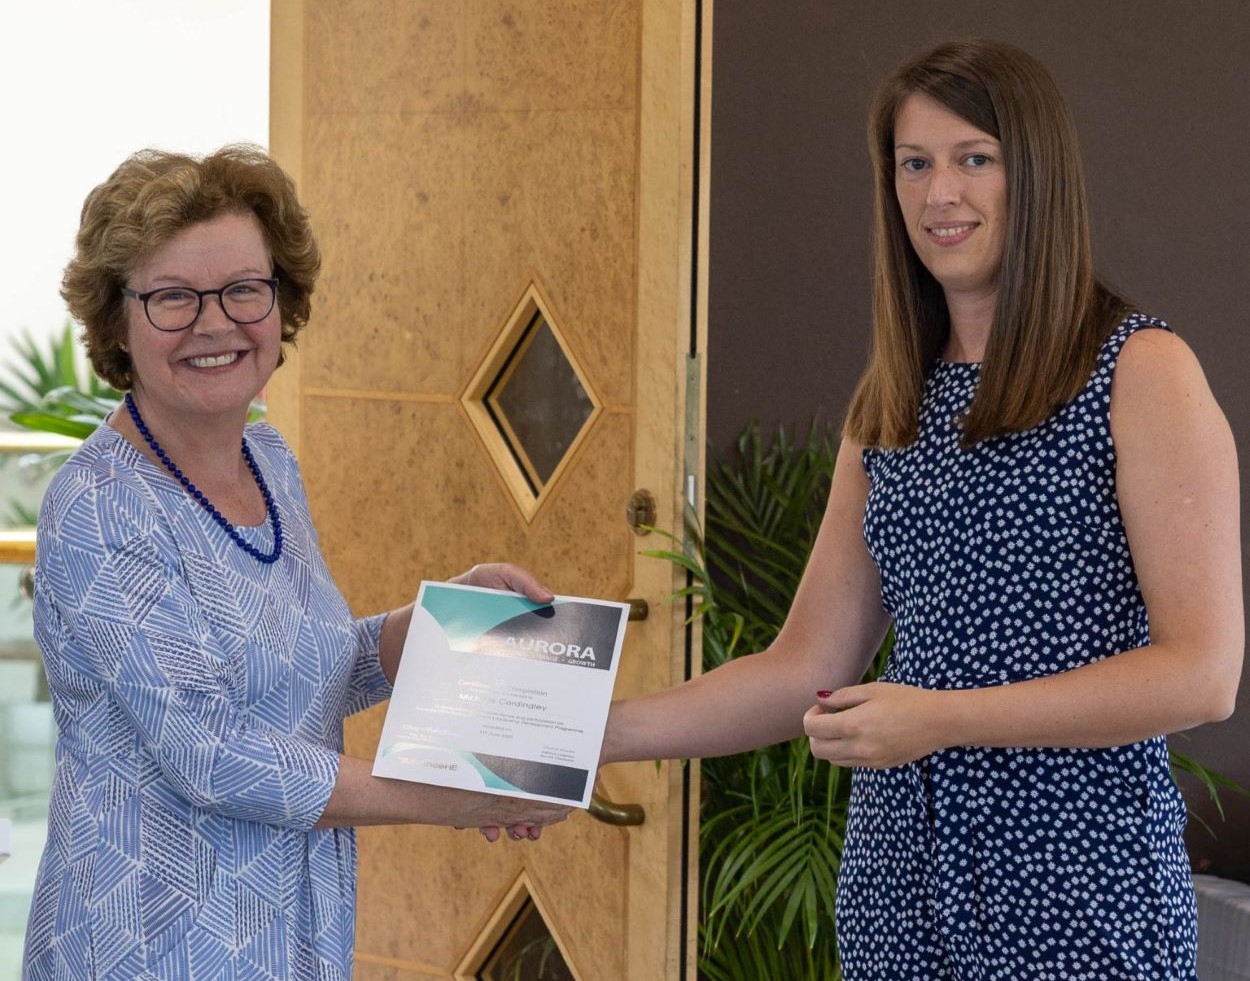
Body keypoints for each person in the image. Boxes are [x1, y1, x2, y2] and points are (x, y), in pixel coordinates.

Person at [601, 38, 1242, 979]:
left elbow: (1202, 674)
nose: (939, 194)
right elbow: (802, 667)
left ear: (1037, 173)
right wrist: (586, 737)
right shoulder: (891, 402)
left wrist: (943, 716)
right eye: (914, 164)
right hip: (897, 893)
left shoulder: (1140, 372)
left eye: (973, 159)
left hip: (1079, 892)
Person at [23, 146, 570, 980]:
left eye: (244, 289)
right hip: (149, 946)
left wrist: (437, 623)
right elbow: (210, 750)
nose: (216, 323)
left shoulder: (269, 461)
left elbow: (304, 669)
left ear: (282, 303)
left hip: (290, 931)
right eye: (174, 297)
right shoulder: (99, 504)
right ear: (118, 322)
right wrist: (451, 799)